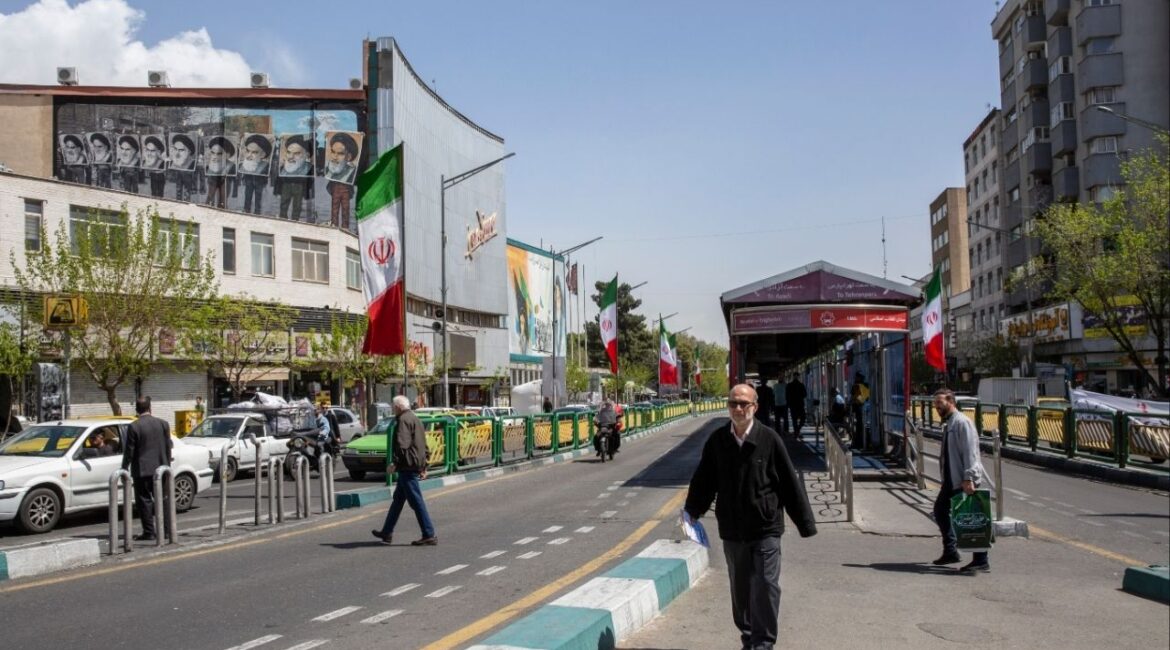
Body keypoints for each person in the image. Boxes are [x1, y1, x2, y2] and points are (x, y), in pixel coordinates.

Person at [684, 384, 817, 650]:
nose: (738, 409)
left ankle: (763, 643)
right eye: (733, 403)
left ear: (755, 406)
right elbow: (704, 481)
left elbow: (789, 483)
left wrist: (805, 523)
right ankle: (748, 637)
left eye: (744, 404)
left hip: (765, 528)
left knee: (766, 585)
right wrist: (692, 512)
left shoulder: (769, 439)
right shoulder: (717, 441)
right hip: (733, 530)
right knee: (741, 589)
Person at [931, 388, 992, 574]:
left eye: (940, 403)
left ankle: (981, 559)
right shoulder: (950, 423)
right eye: (936, 404)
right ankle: (950, 550)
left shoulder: (962, 422)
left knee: (971, 517)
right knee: (941, 510)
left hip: (963, 479)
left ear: (951, 402)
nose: (937, 407)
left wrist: (969, 477)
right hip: (952, 479)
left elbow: (970, 452)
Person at [371, 395, 437, 546]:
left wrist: (394, 462)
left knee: (416, 501)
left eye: (394, 407)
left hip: (407, 465)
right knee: (398, 500)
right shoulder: (415, 418)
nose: (394, 410)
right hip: (413, 464)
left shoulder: (402, 420)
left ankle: (429, 533)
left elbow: (402, 445)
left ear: (398, 407)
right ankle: (387, 532)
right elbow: (423, 445)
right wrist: (424, 466)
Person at [121, 397, 173, 542]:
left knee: (144, 501)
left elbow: (129, 451)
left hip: (142, 471)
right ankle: (167, 531)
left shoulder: (134, 427)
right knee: (163, 500)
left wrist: (124, 469)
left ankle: (149, 531)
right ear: (150, 408)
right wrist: (167, 466)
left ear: (137, 410)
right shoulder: (163, 424)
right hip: (161, 469)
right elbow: (168, 447)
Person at [324, 132, 359, 228]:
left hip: (346, 191)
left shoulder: (352, 171)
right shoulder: (329, 169)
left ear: (348, 157)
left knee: (345, 211)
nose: (335, 157)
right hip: (335, 190)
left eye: (340, 154)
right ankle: (334, 226)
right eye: (333, 152)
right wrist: (325, 139)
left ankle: (345, 229)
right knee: (334, 210)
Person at [277, 135, 312, 220]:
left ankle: (295, 220)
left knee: (297, 205)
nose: (291, 157)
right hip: (286, 185)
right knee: (283, 203)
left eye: (296, 153)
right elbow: (279, 179)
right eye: (289, 152)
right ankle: (282, 219)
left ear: (306, 155)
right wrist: (277, 190)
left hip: (299, 186)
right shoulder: (283, 167)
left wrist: (306, 191)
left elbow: (310, 181)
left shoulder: (309, 168)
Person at [239, 134, 272, 214]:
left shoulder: (265, 166)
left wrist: (265, 181)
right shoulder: (243, 164)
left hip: (259, 182)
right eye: (248, 151)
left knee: (258, 198)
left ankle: (257, 212)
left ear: (263, 154)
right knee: (247, 196)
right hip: (249, 181)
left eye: (254, 152)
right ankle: (246, 211)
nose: (249, 155)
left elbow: (267, 174)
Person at [204, 135, 237, 209]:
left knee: (223, 200)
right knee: (210, 197)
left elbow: (234, 178)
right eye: (213, 153)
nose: (215, 156)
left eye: (219, 154)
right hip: (212, 180)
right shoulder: (209, 165)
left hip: (225, 181)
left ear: (227, 155)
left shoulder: (231, 166)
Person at [168, 134, 197, 201]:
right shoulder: (175, 163)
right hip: (179, 173)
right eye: (175, 149)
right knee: (178, 191)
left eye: (181, 150)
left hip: (187, 174)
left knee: (186, 193)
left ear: (189, 152)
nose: (177, 154)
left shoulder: (191, 165)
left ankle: (185, 206)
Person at [850, 372, 870, 449]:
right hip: (862, 409)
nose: (856, 378)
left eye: (857, 377)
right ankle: (861, 442)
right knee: (861, 426)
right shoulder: (865, 386)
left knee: (859, 427)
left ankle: (859, 442)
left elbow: (854, 398)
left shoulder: (856, 386)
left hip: (859, 409)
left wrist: (855, 401)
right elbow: (866, 397)